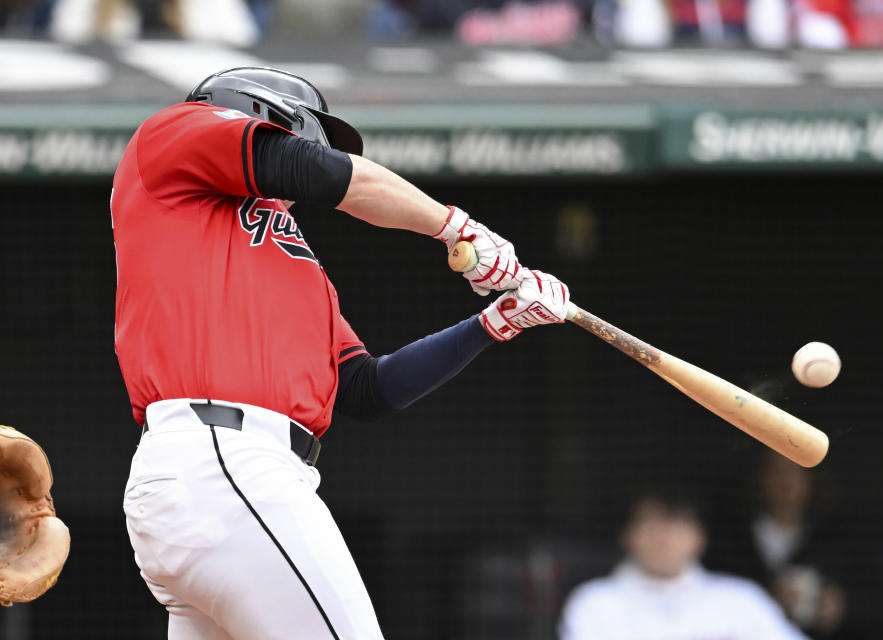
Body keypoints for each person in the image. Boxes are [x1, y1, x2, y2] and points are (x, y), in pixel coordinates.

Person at [112, 66, 571, 640]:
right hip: (222, 463)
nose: (314, 146)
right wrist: (457, 228)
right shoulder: (174, 133)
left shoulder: (294, 265)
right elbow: (315, 171)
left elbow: (367, 388)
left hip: (232, 481)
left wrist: (490, 325)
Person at [558, 487, 808, 640]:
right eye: (650, 524)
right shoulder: (595, 603)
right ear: (626, 535)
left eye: (676, 525)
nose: (663, 537)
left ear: (699, 537)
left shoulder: (742, 599)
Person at [706, 451, 847, 638]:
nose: (786, 482)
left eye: (797, 472)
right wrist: (767, 598)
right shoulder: (732, 539)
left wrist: (838, 608)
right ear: (760, 479)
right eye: (777, 471)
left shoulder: (833, 542)